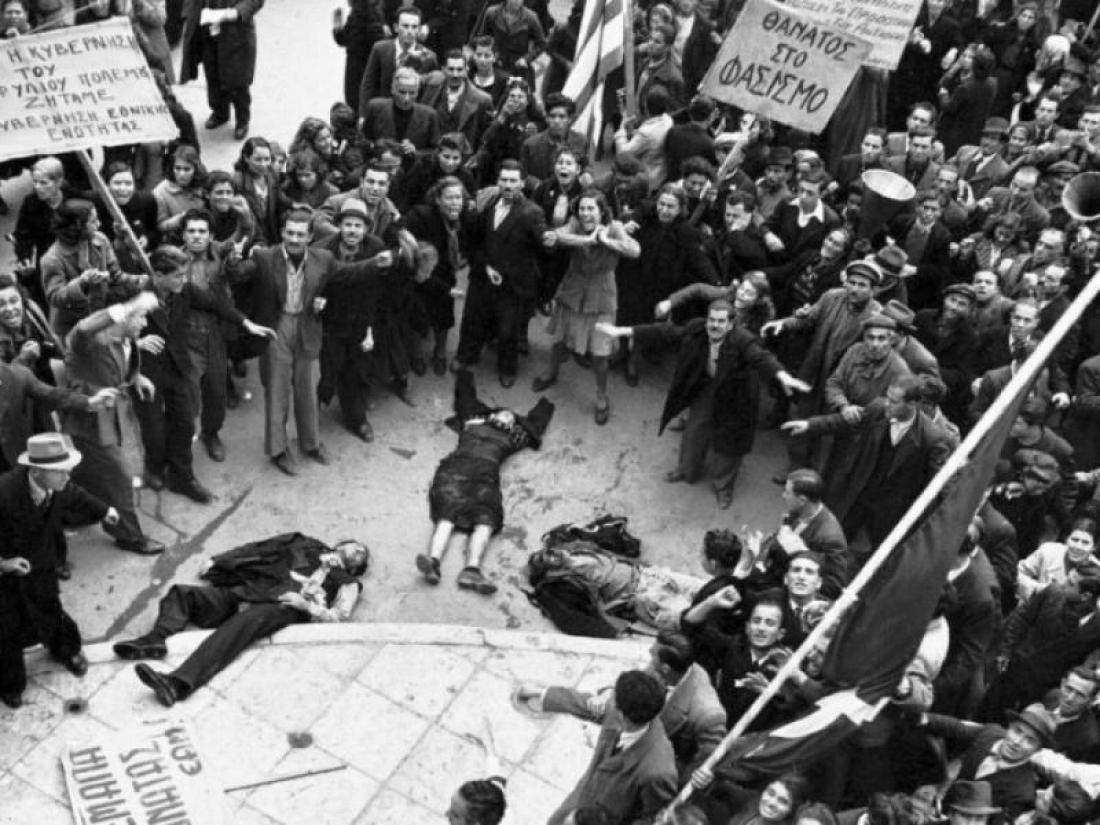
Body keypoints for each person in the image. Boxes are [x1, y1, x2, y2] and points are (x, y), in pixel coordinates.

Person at [113, 533, 369, 706]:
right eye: (356, 545)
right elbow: (261, 548)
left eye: (362, 554)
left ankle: (177, 684)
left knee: (236, 630)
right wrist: (219, 561)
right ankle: (154, 640)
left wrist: (308, 606)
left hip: (280, 606)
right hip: (250, 590)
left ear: (356, 568)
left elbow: (337, 618)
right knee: (183, 594)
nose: (358, 550)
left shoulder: (348, 583)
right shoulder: (305, 542)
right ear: (341, 543)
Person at [600, 299, 809, 508]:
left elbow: (761, 357)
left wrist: (783, 376)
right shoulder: (697, 330)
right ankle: (687, 470)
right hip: (708, 387)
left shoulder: (742, 339)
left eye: (721, 321)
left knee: (729, 445)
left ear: (730, 325)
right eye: (712, 320)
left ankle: (723, 486)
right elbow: (664, 332)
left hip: (737, 397)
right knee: (694, 431)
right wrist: (622, 331)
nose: (715, 325)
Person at [134, 245, 275, 502]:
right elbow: (104, 332)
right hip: (144, 373)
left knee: (184, 423)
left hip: (178, 367)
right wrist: (135, 343)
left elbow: (216, 304)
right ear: (158, 275)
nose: (184, 280)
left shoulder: (185, 291)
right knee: (153, 428)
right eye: (178, 275)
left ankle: (182, 477)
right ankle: (153, 467)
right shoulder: (133, 294)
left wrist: (246, 323)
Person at [0, 434, 120, 709]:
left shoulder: (58, 485)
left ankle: (65, 651)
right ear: (37, 471)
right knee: (6, 629)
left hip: (41, 562)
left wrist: (105, 511)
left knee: (50, 608)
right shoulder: (3, 493)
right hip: (6, 575)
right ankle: (10, 684)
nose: (67, 477)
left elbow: (76, 495)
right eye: (60, 472)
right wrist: (4, 563)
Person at [517, 631, 726, 781]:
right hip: (640, 719)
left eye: (653, 653)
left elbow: (705, 761)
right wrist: (608, 693)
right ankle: (546, 695)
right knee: (600, 707)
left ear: (665, 668)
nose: (648, 652)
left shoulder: (708, 714)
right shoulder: (670, 667)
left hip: (656, 753)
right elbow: (635, 683)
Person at [417, 371, 554, 594]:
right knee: (447, 515)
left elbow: (536, 424)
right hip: (455, 471)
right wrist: (465, 375)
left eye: (512, 418)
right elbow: (466, 399)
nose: (508, 415)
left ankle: (472, 570)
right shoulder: (473, 420)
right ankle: (433, 562)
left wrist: (545, 405)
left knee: (486, 519)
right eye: (503, 413)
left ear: (514, 426)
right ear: (492, 415)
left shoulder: (516, 435)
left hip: (484, 477)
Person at [781, 375, 952, 551]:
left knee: (872, 554)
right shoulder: (878, 409)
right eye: (887, 397)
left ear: (913, 404)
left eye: (894, 402)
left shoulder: (932, 438)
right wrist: (810, 425)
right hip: (858, 494)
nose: (887, 404)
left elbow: (938, 483)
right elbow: (847, 422)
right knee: (833, 540)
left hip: (889, 511)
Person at [231, 206, 339, 476]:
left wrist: (326, 300)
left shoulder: (324, 258)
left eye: (300, 234)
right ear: (281, 232)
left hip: (307, 326)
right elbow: (237, 275)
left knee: (308, 389)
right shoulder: (264, 257)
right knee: (277, 390)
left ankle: (311, 443)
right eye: (289, 233)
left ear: (310, 236)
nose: (294, 239)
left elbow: (339, 281)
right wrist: (233, 258)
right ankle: (278, 450)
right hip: (276, 329)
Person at [64, 292, 167, 556]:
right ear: (123, 317)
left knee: (87, 472)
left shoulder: (126, 338)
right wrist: (131, 305)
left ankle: (73, 513)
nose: (145, 323)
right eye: (141, 317)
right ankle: (129, 536)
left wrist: (136, 378)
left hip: (113, 415)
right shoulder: (89, 341)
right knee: (120, 478)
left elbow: (120, 363)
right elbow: (82, 329)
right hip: (90, 422)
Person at [534, 189, 641, 424]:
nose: (585, 213)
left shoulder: (614, 228)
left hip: (601, 297)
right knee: (560, 339)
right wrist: (586, 239)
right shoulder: (574, 224)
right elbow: (556, 235)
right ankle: (551, 371)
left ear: (602, 211)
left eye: (591, 208)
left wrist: (606, 241)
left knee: (600, 354)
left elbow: (634, 250)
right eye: (582, 208)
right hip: (572, 290)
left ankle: (601, 395)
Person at [451, 160, 549, 388]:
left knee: (508, 330)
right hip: (482, 275)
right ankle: (466, 356)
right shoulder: (488, 202)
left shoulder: (532, 213)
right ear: (498, 181)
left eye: (513, 180)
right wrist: (484, 266)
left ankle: (507, 368)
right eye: (504, 179)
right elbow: (477, 240)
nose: (508, 185)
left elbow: (542, 249)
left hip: (512, 284)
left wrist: (551, 240)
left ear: (522, 183)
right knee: (472, 319)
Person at [545, 669, 678, 825]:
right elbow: (586, 704)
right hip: (580, 800)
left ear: (621, 714)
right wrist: (542, 695)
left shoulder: (659, 772)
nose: (609, 697)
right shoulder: (634, 711)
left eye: (612, 696)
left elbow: (650, 818)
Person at [179, 0, 263, 140]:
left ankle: (242, 120)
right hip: (208, 31)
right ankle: (220, 113)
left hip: (235, 34)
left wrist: (234, 13)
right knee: (212, 75)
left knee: (238, 80)